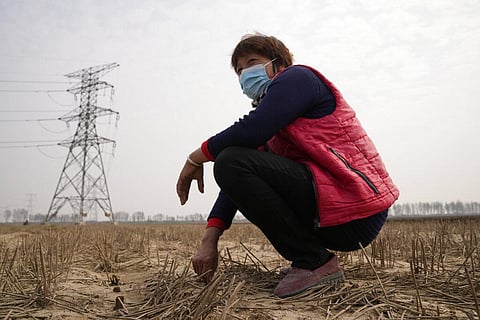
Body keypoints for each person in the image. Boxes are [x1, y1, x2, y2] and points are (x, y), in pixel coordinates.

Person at [176, 33, 399, 298]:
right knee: (232, 163)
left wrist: (195, 157)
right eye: (239, 70)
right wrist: (208, 241)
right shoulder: (273, 126)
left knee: (229, 159)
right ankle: (311, 258)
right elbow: (234, 183)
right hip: (330, 210)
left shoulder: (298, 78)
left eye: (252, 62)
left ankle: (313, 261)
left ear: (278, 63)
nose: (246, 73)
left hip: (356, 206)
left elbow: (252, 130)